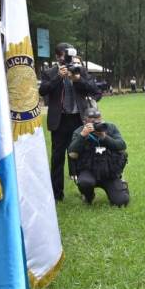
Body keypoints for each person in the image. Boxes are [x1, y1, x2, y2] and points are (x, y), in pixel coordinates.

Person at [39, 43, 99, 201]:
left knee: (81, 155)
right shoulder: (50, 72)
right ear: (58, 56)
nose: (67, 59)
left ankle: (85, 191)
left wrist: (78, 79)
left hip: (78, 119)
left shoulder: (80, 70)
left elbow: (94, 90)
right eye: (64, 55)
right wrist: (58, 77)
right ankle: (57, 195)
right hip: (59, 121)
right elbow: (42, 90)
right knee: (57, 158)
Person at [68, 108, 130, 207]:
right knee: (85, 182)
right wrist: (82, 136)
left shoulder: (110, 128)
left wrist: (104, 137)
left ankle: (121, 186)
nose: (96, 124)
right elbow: (71, 153)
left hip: (109, 172)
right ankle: (89, 196)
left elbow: (122, 145)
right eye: (93, 122)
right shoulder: (79, 131)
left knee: (121, 201)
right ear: (85, 122)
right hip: (88, 170)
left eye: (98, 121)